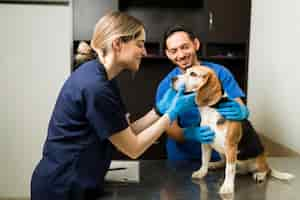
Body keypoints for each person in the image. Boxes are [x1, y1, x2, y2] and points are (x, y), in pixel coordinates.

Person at [30, 12, 198, 200]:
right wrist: (172, 113)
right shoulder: (95, 87)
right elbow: (133, 148)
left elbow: (124, 133)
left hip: (77, 182)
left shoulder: (103, 78)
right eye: (140, 44)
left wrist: (158, 111)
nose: (144, 52)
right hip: (63, 187)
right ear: (117, 44)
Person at [155, 25, 249, 161]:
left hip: (219, 156)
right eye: (174, 51)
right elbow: (169, 128)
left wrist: (242, 111)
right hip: (182, 158)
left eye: (185, 47)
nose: (180, 55)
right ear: (168, 54)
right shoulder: (167, 85)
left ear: (196, 44)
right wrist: (190, 133)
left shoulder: (219, 73)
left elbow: (239, 105)